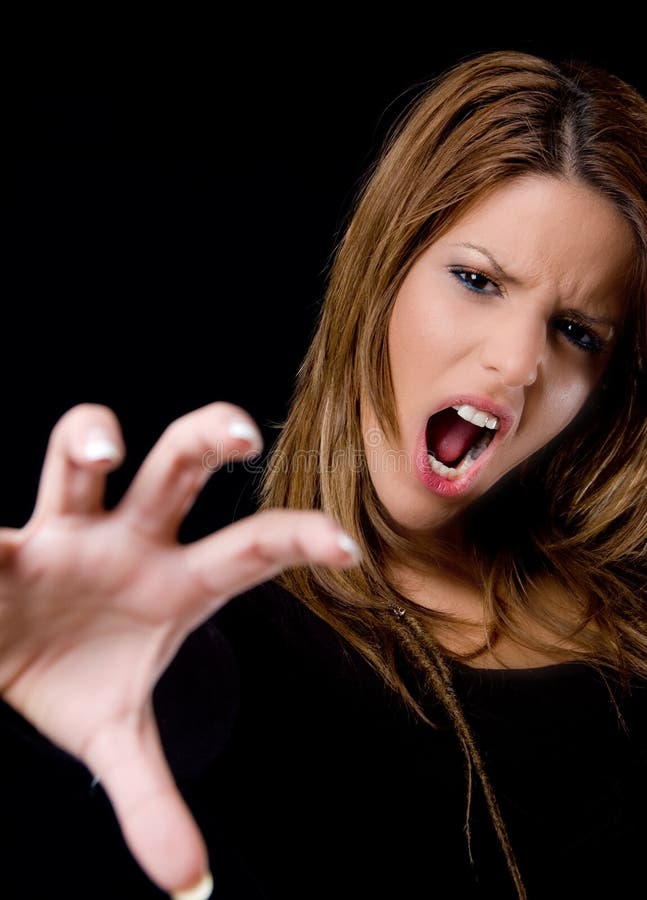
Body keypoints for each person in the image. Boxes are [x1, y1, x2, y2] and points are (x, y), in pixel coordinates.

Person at [1, 47, 647, 899]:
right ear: (382, 275)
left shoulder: (627, 608)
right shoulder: (247, 648)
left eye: (575, 332)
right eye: (476, 280)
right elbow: (193, 699)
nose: (519, 361)